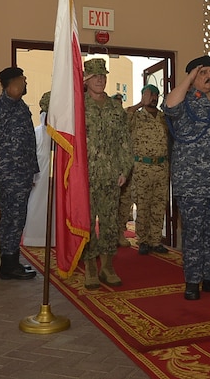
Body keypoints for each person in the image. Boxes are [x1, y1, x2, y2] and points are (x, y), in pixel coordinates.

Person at [163, 55, 210, 300]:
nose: (209, 76)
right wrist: (189, 75)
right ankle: (192, 281)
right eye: (202, 72)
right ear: (192, 77)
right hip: (192, 180)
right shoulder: (184, 101)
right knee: (194, 233)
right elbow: (169, 106)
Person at [82, 58, 133, 289]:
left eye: (103, 76)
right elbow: (48, 100)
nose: (100, 80)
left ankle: (108, 265)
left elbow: (124, 141)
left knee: (110, 223)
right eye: (94, 76)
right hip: (86, 176)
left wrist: (125, 169)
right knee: (88, 223)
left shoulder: (116, 107)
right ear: (86, 79)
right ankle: (91, 265)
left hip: (112, 175)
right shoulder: (78, 105)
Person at [0, 67, 39, 280]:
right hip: (10, 171)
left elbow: (27, 141)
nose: (26, 81)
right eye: (22, 79)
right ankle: (8, 265)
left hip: (19, 171)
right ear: (12, 84)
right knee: (12, 218)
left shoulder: (18, 105)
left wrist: (31, 171)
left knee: (15, 218)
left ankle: (11, 263)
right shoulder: (7, 103)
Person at [125, 84, 170, 255]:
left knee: (159, 205)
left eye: (155, 95)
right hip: (142, 167)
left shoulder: (164, 118)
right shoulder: (136, 116)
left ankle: (155, 240)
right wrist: (139, 104)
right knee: (143, 205)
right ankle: (143, 240)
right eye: (149, 94)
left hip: (161, 167)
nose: (153, 97)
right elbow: (122, 117)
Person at [23, 91, 55, 247]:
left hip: (57, 178)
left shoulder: (62, 136)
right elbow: (28, 156)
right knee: (37, 205)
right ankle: (35, 238)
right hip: (39, 177)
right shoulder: (35, 133)